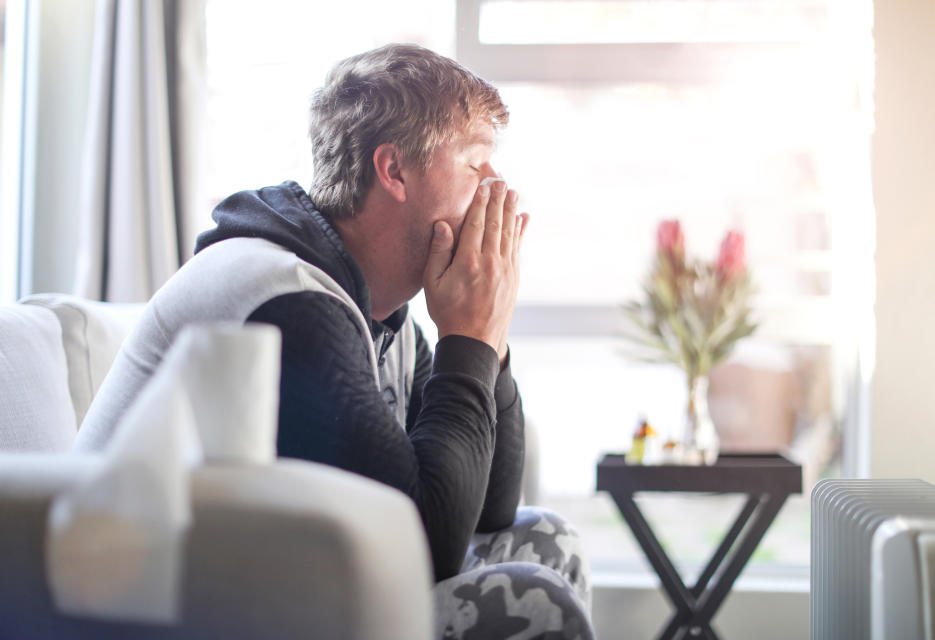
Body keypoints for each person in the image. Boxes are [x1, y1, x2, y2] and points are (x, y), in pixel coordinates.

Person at [76, 43, 593, 639]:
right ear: (393, 170)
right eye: (476, 164)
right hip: (180, 611)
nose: (498, 187)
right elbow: (426, 551)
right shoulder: (283, 299)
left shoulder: (382, 315)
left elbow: (489, 514)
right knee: (532, 599)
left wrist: (487, 336)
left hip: (294, 586)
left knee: (545, 539)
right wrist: (468, 334)